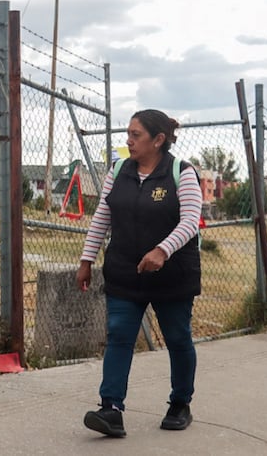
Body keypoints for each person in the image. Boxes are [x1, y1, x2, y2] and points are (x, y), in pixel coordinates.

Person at [76, 109, 203, 438]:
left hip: (172, 275)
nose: (129, 141)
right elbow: (102, 216)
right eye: (128, 134)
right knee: (119, 335)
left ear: (158, 140)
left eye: (136, 135)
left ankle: (180, 403)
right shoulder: (118, 170)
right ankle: (111, 409)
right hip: (124, 272)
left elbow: (191, 221)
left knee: (177, 338)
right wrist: (87, 260)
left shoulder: (181, 172)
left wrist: (162, 250)